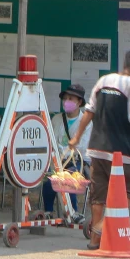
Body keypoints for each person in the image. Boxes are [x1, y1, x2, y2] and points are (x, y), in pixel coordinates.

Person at [68, 50, 130, 251]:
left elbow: (89, 110)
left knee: (98, 194)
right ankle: (101, 226)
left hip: (97, 148)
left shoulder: (104, 80)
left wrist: (77, 137)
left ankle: (94, 242)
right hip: (122, 152)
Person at [42, 84, 91, 219]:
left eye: (70, 98)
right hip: (56, 160)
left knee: (68, 179)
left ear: (79, 102)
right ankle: (48, 212)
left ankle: (72, 212)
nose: (66, 102)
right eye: (65, 99)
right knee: (49, 180)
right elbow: (50, 141)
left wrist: (61, 151)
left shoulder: (85, 122)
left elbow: (82, 147)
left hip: (77, 161)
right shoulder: (56, 119)